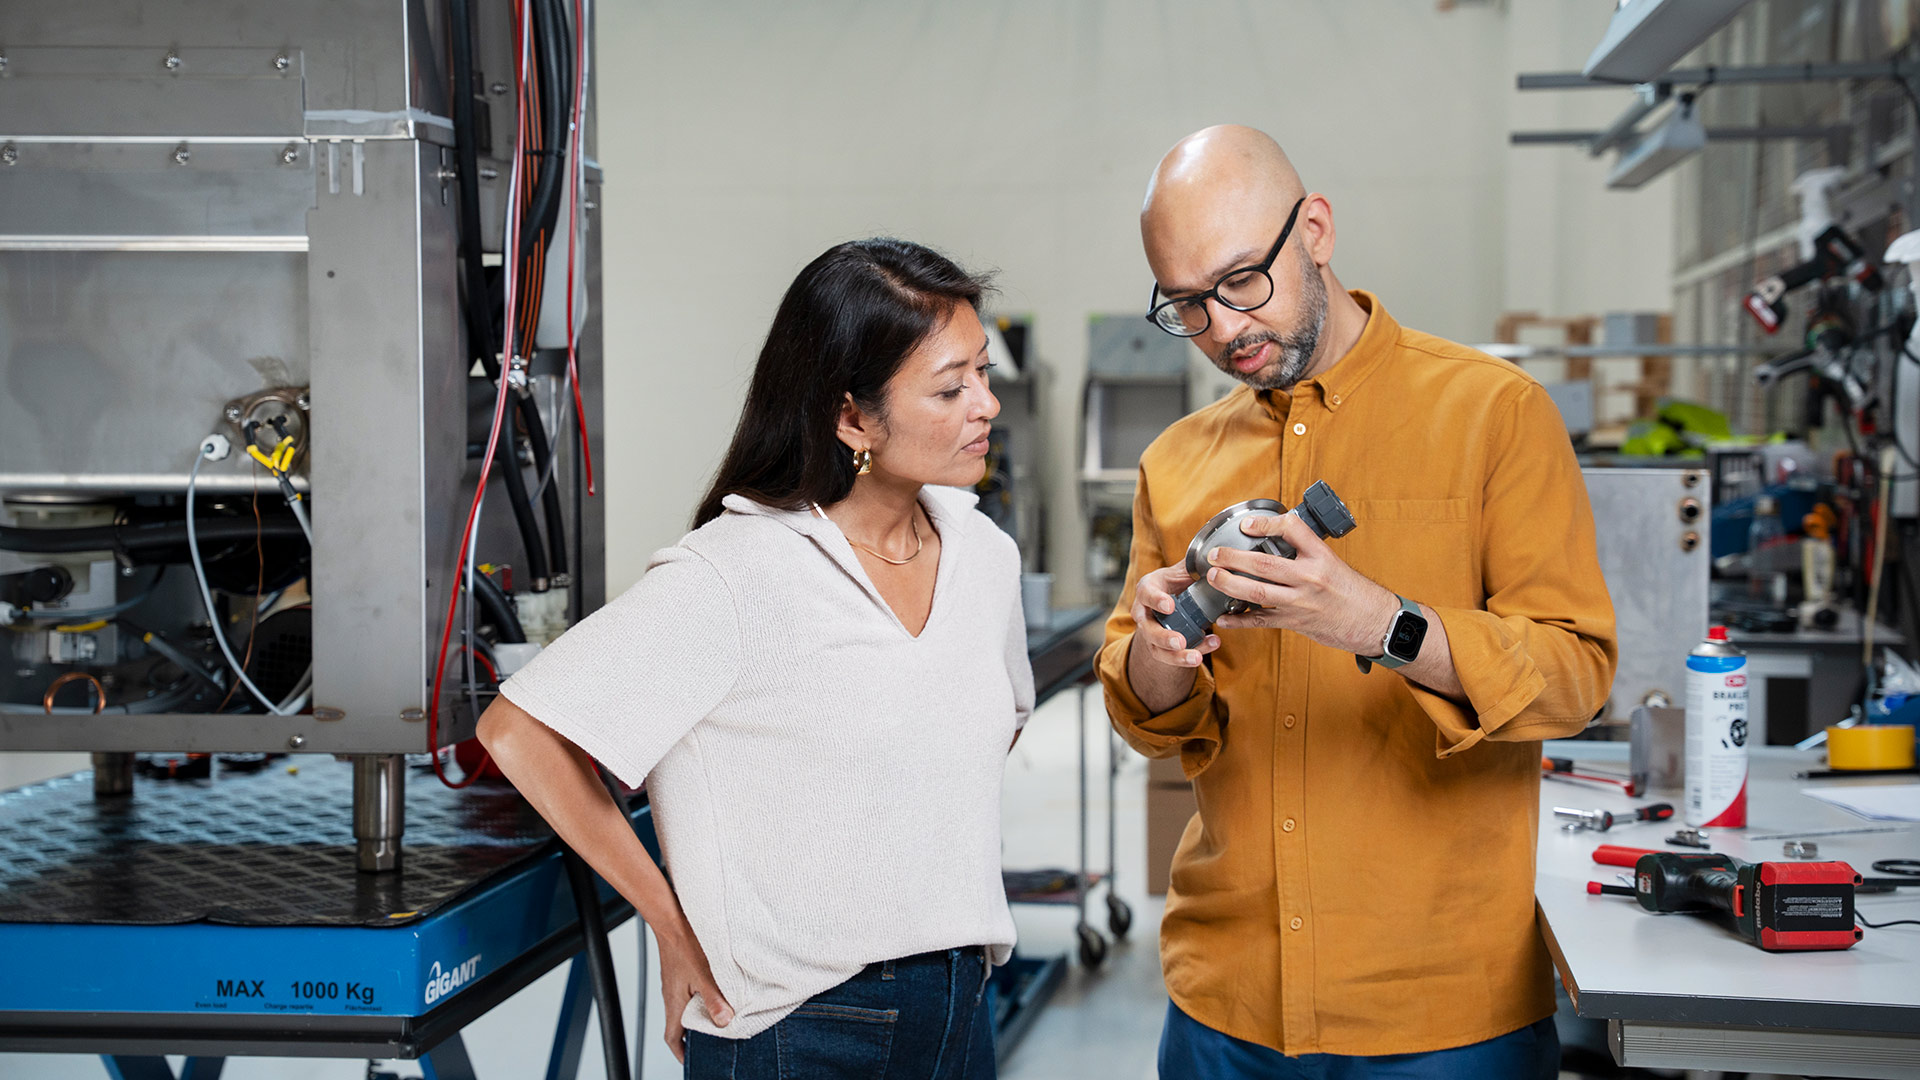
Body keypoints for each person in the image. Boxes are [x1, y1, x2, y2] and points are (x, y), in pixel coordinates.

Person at [1098, 125, 1617, 1079]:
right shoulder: (1175, 461)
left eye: (1240, 281)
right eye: (1186, 304)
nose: (1222, 328)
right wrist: (1156, 658)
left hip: (1441, 1016)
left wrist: (1379, 625)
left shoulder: (1494, 415)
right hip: (1225, 1005)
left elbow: (1576, 677)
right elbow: (1148, 719)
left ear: (1318, 230)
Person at [477, 237, 1031, 1080]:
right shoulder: (739, 574)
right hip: (799, 1032)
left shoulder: (984, 555)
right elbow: (519, 730)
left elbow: (976, 741)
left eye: (985, 374)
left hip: (961, 1007)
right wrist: (670, 919)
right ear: (851, 418)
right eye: (951, 388)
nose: (985, 405)